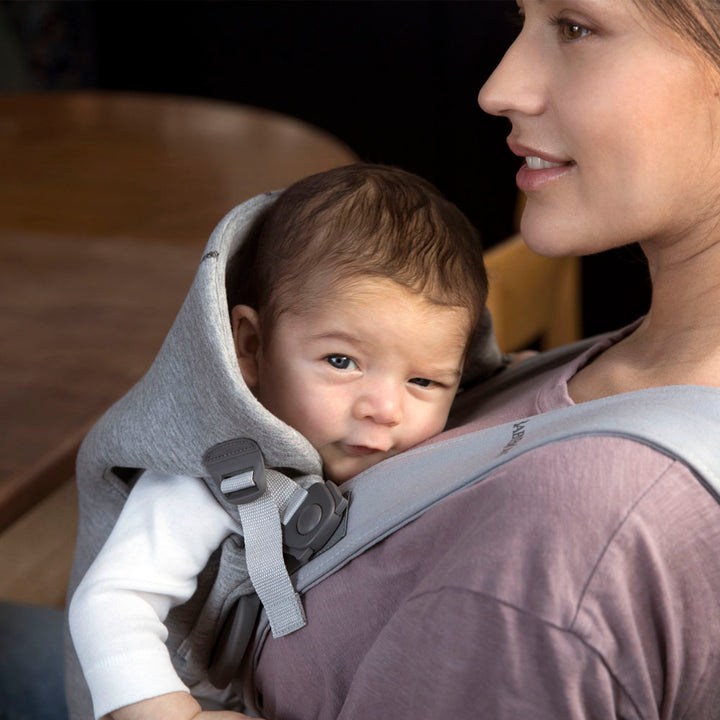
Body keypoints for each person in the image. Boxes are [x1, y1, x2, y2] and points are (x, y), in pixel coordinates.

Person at [238, 1, 720, 718]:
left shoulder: (576, 537)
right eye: (523, 18)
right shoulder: (632, 368)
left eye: (577, 27)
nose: (498, 89)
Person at [66, 163, 498, 719]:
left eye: (424, 381)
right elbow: (109, 603)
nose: (385, 409)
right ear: (251, 346)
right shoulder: (205, 476)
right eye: (341, 361)